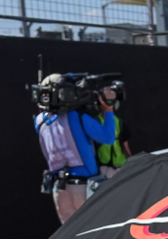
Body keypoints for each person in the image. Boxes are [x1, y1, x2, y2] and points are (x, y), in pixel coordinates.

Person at [33, 73, 116, 223]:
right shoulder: (77, 116)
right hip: (84, 186)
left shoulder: (39, 121)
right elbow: (108, 137)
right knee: (97, 232)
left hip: (58, 188)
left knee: (74, 238)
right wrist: (108, 110)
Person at [93, 82, 132, 179]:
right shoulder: (95, 123)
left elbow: (125, 148)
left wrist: (132, 165)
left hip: (120, 167)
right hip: (103, 169)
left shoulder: (119, 123)